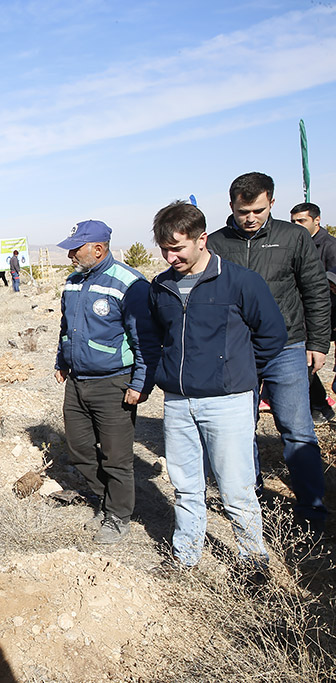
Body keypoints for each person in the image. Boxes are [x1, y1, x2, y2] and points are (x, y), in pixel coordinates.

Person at [149, 202, 287, 573]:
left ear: (201, 239)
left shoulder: (241, 282)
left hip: (228, 401)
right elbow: (161, 337)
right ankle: (185, 557)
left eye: (177, 247)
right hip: (178, 402)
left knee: (236, 488)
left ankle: (252, 561)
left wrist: (237, 371)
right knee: (185, 486)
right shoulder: (161, 287)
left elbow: (272, 335)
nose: (170, 256)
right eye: (164, 249)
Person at [206, 173, 329, 537]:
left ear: (272, 203)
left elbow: (315, 291)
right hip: (236, 351)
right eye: (243, 211)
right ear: (231, 207)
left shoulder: (294, 238)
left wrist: (318, 343)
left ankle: (312, 511)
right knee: (240, 431)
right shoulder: (215, 243)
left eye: (258, 209)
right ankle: (251, 504)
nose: (250, 218)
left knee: (297, 430)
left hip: (287, 347)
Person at [54, 220, 158, 544]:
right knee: (80, 449)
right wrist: (61, 360)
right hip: (77, 382)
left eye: (76, 248)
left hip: (114, 382)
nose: (70, 254)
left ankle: (117, 516)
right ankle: (105, 498)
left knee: (116, 456)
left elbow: (145, 340)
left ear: (98, 249)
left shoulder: (130, 284)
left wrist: (140, 383)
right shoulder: (72, 283)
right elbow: (65, 327)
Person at [291, 202, 336, 424]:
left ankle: (319, 406)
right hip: (302, 315)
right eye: (293, 222)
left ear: (317, 220)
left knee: (308, 364)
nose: (297, 226)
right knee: (304, 364)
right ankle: (319, 405)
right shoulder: (296, 244)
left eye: (302, 221)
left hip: (325, 316)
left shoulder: (330, 247)